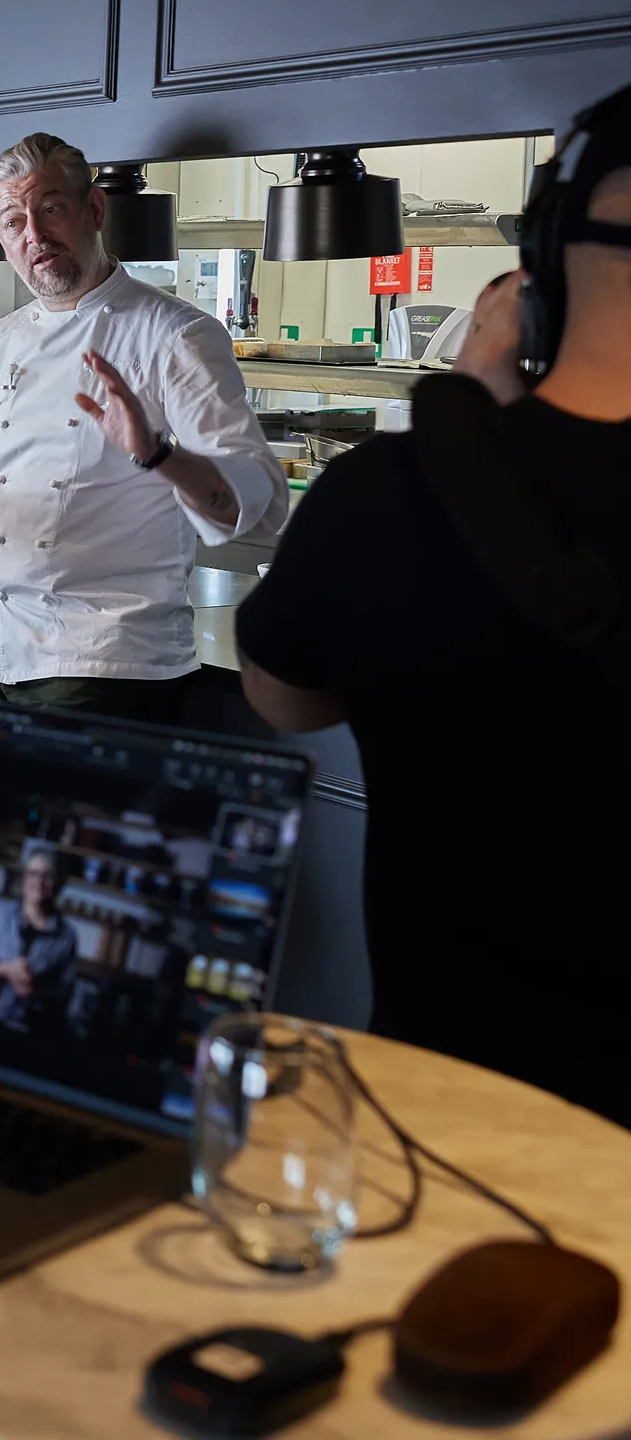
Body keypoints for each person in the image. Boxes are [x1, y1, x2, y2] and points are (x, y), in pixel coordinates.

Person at [234, 102, 631, 1125]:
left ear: (536, 264)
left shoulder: (386, 492)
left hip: (446, 1110)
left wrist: (475, 423)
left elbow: (282, 699)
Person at [0, 134, 285, 723]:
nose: (35, 238)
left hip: (105, 661)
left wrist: (157, 454)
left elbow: (254, 501)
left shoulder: (175, 337)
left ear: (93, 209)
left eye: (50, 210)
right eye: (14, 222)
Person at [0, 847, 79, 1028]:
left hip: (25, 1027)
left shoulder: (66, 936)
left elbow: (65, 992)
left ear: (57, 882)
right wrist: (2, 969)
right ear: (24, 879)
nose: (39, 881)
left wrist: (36, 991)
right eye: (33, 873)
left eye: (47, 875)